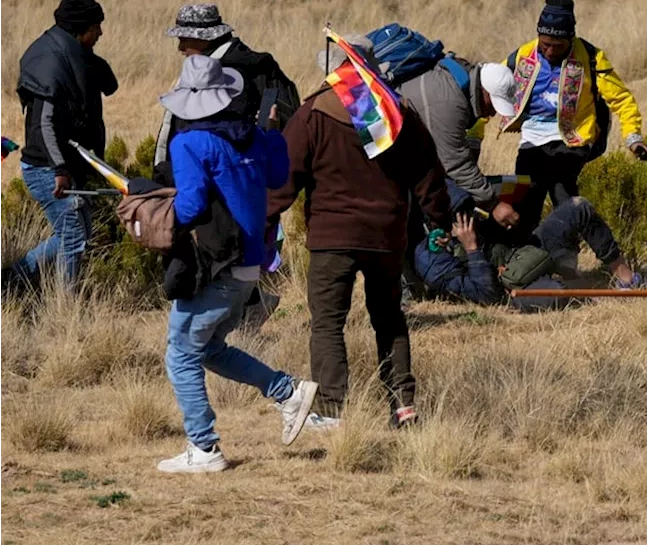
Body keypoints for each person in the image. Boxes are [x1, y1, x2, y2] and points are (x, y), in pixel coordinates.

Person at [269, 36, 451, 428]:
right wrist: (440, 221)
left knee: (328, 324)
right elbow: (428, 175)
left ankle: (332, 410)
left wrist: (265, 220)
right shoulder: (396, 112)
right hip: (387, 238)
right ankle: (403, 406)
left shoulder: (313, 114)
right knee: (389, 320)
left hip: (332, 238)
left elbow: (283, 180)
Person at [156, 55, 319, 474]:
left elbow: (190, 205)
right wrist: (271, 130)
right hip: (251, 262)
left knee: (181, 355)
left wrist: (154, 212)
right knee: (207, 348)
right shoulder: (256, 137)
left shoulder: (189, 143)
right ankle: (287, 392)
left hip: (216, 263)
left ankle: (204, 448)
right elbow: (278, 175)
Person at [502, 0, 647, 273]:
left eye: (558, 46)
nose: (550, 51)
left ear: (571, 38)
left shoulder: (591, 57)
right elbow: (491, 87)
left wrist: (633, 137)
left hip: (572, 139)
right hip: (531, 141)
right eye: (545, 44)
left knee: (564, 198)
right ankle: (524, 269)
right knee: (526, 205)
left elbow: (622, 100)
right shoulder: (522, 55)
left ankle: (568, 268)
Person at [13, 0, 117, 289]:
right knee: (73, 239)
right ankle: (64, 305)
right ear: (79, 29)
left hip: (66, 166)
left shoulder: (74, 55)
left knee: (76, 235)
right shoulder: (50, 64)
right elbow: (43, 123)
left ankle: (15, 278)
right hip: (48, 170)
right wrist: (59, 170)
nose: (101, 32)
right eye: (96, 26)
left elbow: (109, 86)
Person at [414, 183, 635, 305]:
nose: (468, 215)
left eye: (468, 209)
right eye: (460, 213)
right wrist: (472, 249)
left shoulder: (470, 216)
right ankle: (572, 280)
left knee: (579, 207)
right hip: (511, 289)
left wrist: (503, 215)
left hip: (526, 253)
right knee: (559, 294)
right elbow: (487, 296)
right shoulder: (431, 258)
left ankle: (628, 280)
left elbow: (505, 242)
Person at [154, 4, 300, 184]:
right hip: (251, 188)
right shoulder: (248, 64)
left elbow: (222, 145)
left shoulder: (225, 76)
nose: (180, 47)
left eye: (184, 39)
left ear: (204, 39)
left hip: (217, 190)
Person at [396, 57, 521, 227]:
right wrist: (494, 204)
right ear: (484, 91)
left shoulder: (458, 82)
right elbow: (456, 164)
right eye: (493, 105)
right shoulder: (449, 103)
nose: (492, 113)